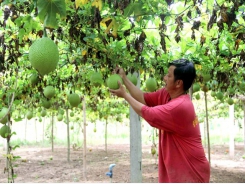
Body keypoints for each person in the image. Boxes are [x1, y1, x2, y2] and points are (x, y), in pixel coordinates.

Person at [109, 59, 210, 183]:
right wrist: (124, 78)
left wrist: (125, 95)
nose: (164, 78)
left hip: (191, 174)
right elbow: (142, 98)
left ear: (178, 83)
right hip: (180, 172)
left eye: (169, 75)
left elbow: (148, 114)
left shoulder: (180, 106)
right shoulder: (167, 94)